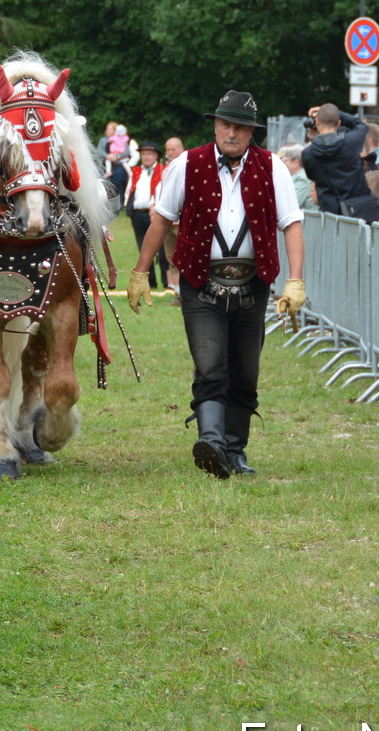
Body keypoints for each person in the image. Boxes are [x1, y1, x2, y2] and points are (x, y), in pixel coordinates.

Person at [126, 91, 306, 480]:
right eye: (226, 124)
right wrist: (140, 271)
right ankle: (212, 443)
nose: (232, 133)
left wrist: (294, 280)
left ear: (251, 132)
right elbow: (160, 219)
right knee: (210, 365)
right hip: (200, 282)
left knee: (245, 370)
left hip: (253, 283)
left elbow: (291, 222)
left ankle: (235, 451)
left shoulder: (272, 167)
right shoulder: (186, 164)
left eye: (240, 127)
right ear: (215, 125)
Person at [300, 103, 375, 218]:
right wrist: (335, 114)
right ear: (339, 123)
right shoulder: (351, 142)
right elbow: (361, 126)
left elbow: (312, 177)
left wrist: (325, 114)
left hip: (329, 213)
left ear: (317, 122)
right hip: (357, 212)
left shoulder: (307, 154)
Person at [123, 142, 167, 289]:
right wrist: (127, 206)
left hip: (156, 214)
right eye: (144, 154)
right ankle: (150, 282)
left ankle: (168, 283)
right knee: (143, 248)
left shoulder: (163, 170)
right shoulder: (136, 171)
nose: (147, 157)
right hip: (138, 214)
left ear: (156, 156)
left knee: (161, 248)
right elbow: (130, 189)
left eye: (150, 154)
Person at [276, 144, 314, 210]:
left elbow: (292, 204)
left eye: (285, 161)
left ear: (296, 162)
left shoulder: (302, 178)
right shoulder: (296, 176)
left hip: (310, 219)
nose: (283, 164)